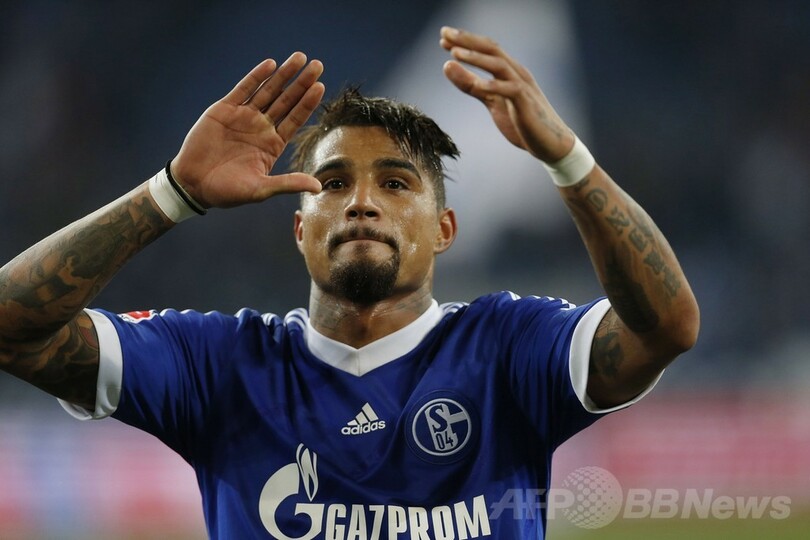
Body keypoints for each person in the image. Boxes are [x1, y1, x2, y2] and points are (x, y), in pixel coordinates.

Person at [0, 26, 699, 539]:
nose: (361, 202)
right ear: (299, 228)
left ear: (444, 229)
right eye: (332, 184)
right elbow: (10, 326)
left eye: (395, 184)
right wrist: (172, 193)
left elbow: (667, 327)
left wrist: (568, 160)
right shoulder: (220, 365)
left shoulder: (507, 346)